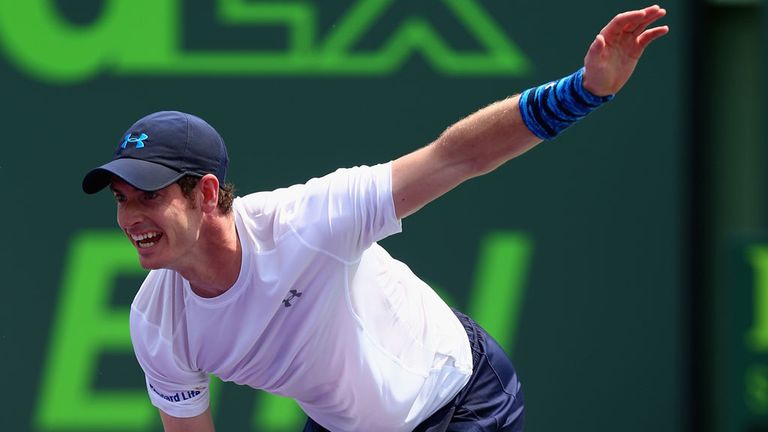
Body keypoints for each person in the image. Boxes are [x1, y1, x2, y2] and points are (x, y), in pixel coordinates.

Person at [81, 5, 668, 431]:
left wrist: (584, 91)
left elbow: (457, 156)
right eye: (122, 199)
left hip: (461, 400)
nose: (132, 216)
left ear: (206, 193)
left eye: (150, 195)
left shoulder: (311, 221)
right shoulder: (156, 322)